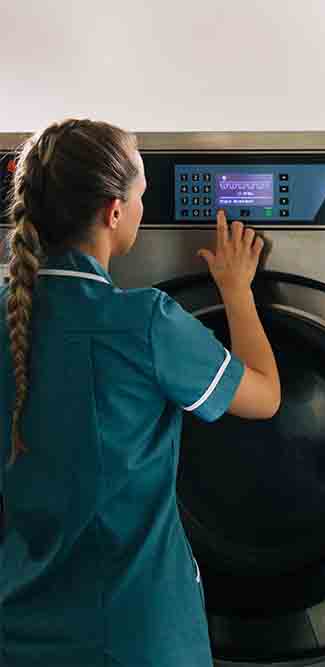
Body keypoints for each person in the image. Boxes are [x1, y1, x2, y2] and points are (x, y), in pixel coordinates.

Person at [0, 119, 281, 666]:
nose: (143, 208)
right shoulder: (145, 323)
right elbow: (265, 396)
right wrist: (236, 291)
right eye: (143, 195)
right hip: (139, 637)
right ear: (114, 212)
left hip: (20, 631)